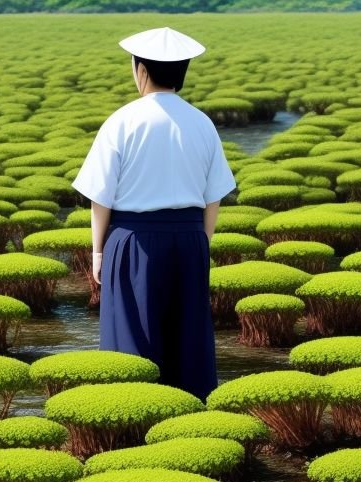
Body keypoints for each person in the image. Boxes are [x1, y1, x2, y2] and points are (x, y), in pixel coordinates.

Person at [70, 27, 236, 401]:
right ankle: (192, 421)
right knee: (188, 338)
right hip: (190, 237)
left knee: (131, 337)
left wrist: (98, 252)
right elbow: (214, 197)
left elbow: (101, 197)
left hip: (133, 238)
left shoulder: (122, 121)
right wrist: (202, 243)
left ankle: (135, 424)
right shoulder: (202, 123)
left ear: (140, 70)